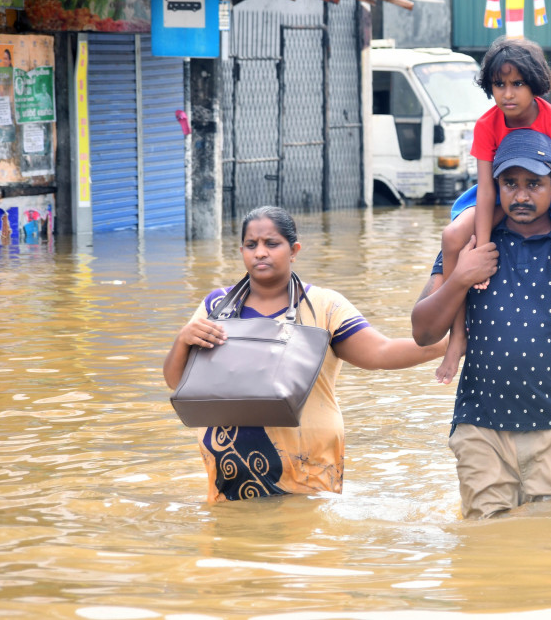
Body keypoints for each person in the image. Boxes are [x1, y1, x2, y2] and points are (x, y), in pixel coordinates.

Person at [411, 130, 551, 519]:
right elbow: (423, 331)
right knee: (487, 551)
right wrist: (462, 277)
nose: (520, 195)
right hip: (481, 428)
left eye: (534, 183)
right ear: (493, 186)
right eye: (509, 183)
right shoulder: (475, 243)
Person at [163, 206, 446, 503]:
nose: (260, 252)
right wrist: (182, 341)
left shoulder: (323, 306)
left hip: (309, 469)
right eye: (251, 245)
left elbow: (380, 352)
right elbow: (176, 382)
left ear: (294, 250)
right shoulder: (216, 307)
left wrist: (450, 345)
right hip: (230, 471)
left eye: (271, 244)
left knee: (309, 546)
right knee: (231, 545)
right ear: (242, 250)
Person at [437, 36, 551, 401]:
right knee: (452, 238)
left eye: (517, 84)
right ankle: (457, 338)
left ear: (535, 85)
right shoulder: (487, 124)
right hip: (499, 192)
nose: (508, 94)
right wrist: (481, 249)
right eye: (500, 84)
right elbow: (485, 189)